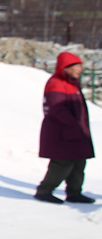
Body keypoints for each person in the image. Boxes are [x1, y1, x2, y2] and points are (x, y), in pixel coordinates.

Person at [34, 52, 93, 204]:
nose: (80, 69)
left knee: (79, 162)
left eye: (80, 65)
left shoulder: (71, 83)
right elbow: (56, 108)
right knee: (61, 163)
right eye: (76, 66)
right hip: (61, 131)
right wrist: (73, 123)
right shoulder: (57, 83)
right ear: (66, 67)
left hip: (75, 131)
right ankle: (44, 190)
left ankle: (74, 192)